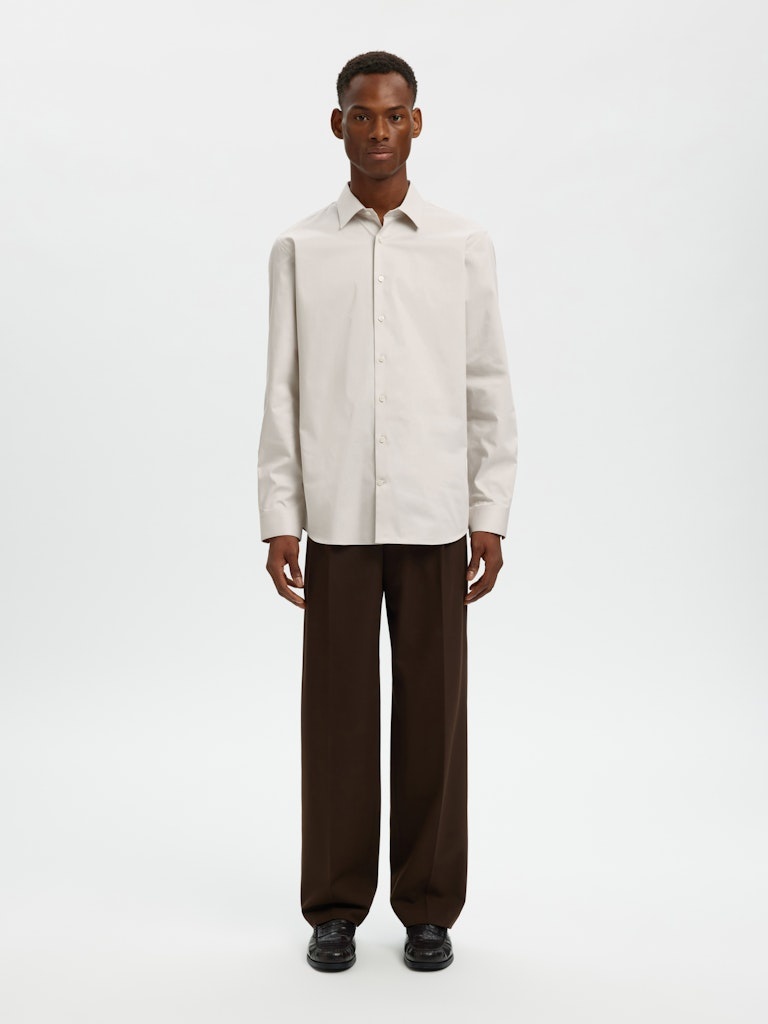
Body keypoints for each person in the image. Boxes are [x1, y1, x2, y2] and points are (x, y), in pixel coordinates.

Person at [257, 50, 518, 972]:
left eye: (394, 115)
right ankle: (334, 907)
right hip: (334, 517)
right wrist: (279, 516)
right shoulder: (300, 249)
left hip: (436, 514)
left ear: (416, 123)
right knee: (336, 721)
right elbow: (283, 389)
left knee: (432, 719)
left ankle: (428, 908)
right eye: (362, 115)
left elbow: (486, 381)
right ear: (338, 125)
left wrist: (489, 511)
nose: (378, 131)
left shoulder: (461, 244)